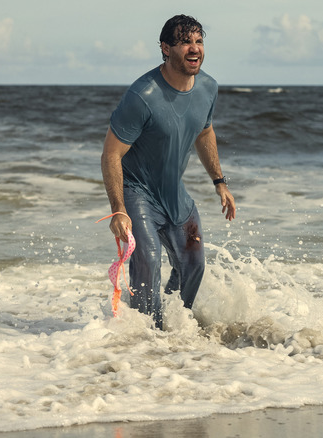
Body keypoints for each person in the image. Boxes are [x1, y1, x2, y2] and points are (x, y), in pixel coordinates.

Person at [100, 14, 236, 329]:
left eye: (199, 41)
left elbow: (204, 132)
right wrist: (118, 210)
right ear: (166, 48)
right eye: (185, 42)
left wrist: (219, 182)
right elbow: (111, 154)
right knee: (147, 261)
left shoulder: (208, 87)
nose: (194, 48)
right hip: (138, 194)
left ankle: (175, 329)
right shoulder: (142, 96)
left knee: (194, 266)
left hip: (174, 194)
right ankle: (146, 338)